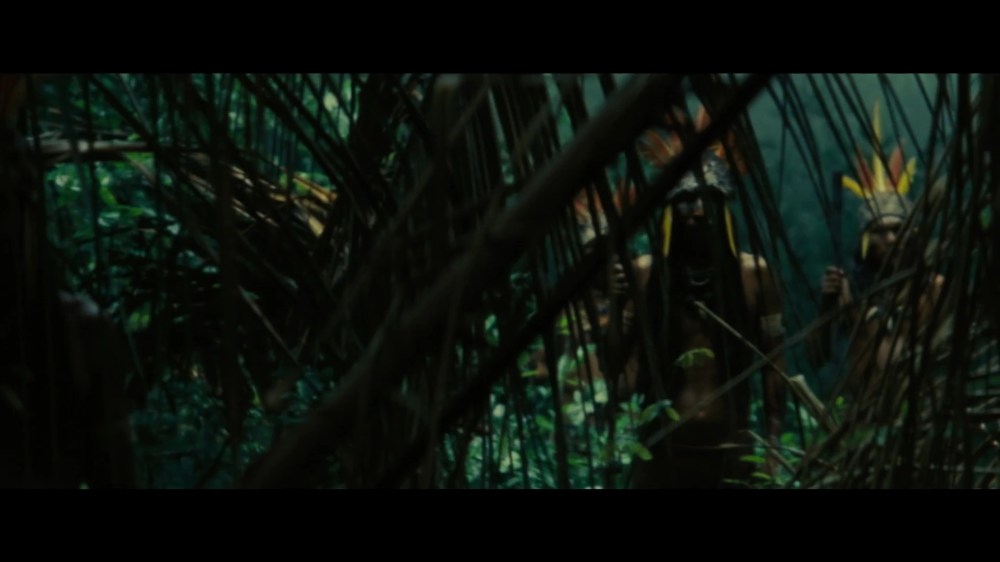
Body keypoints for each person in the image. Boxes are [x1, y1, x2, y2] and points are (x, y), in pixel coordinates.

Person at [627, 109, 787, 488]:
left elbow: (774, 362)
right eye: (686, 200)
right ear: (671, 210)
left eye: (707, 199)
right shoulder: (648, 274)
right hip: (661, 450)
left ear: (723, 207)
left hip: (730, 447)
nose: (697, 211)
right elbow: (623, 363)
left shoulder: (753, 275)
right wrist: (619, 306)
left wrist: (773, 443)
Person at [809, 104, 944, 408]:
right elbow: (817, 357)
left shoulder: (932, 288)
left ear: (911, 233)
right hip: (863, 414)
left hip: (921, 411)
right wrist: (827, 303)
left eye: (897, 229)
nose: (891, 239)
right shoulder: (849, 289)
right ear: (865, 239)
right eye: (880, 232)